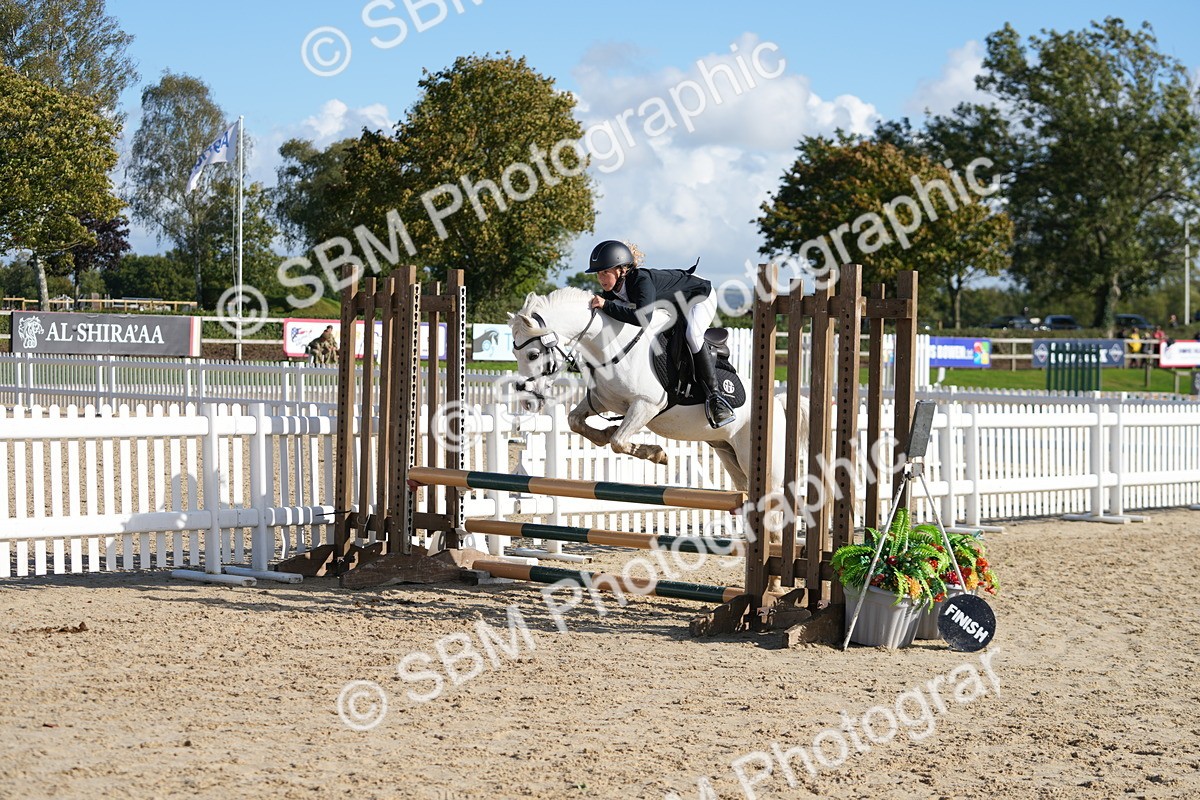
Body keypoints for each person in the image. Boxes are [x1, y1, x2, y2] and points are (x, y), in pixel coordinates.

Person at [586, 239, 735, 428]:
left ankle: (716, 398)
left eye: (605, 272)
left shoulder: (640, 280)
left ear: (621, 270)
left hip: (699, 296)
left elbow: (642, 319)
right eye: (598, 273)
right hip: (674, 303)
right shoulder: (613, 290)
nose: (601, 278)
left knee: (693, 335)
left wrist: (606, 305)